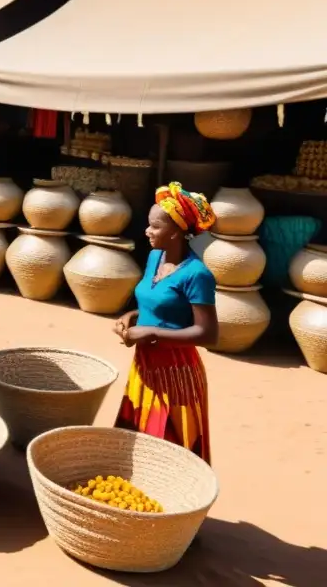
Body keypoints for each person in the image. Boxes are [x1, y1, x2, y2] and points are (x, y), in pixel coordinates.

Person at [113, 182, 219, 464]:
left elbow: (208, 333)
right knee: (137, 439)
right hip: (145, 367)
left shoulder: (197, 275)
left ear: (176, 231)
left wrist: (150, 332)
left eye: (155, 226)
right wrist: (131, 317)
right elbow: (156, 303)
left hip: (176, 374)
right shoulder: (154, 257)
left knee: (171, 447)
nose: (147, 231)